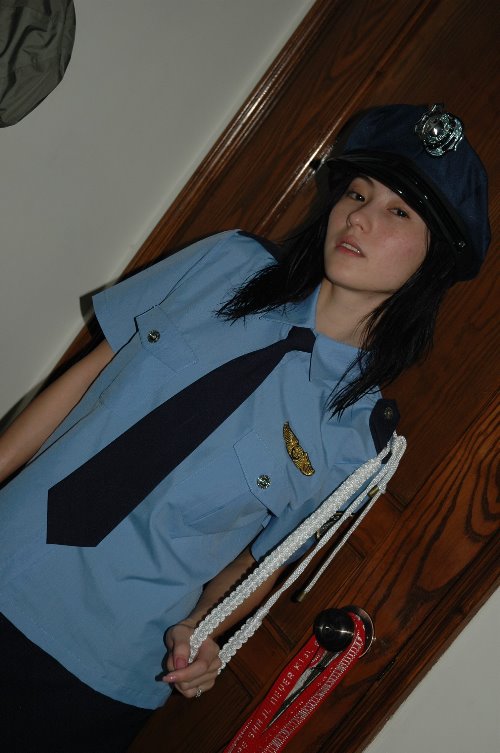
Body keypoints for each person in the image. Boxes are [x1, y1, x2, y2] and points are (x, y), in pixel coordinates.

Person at [0, 103, 490, 752]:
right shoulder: (226, 265)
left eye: (398, 212)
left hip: (95, 670)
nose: (360, 217)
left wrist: (204, 631)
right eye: (357, 193)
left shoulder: (358, 442)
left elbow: (254, 564)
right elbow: (86, 377)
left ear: (432, 262)